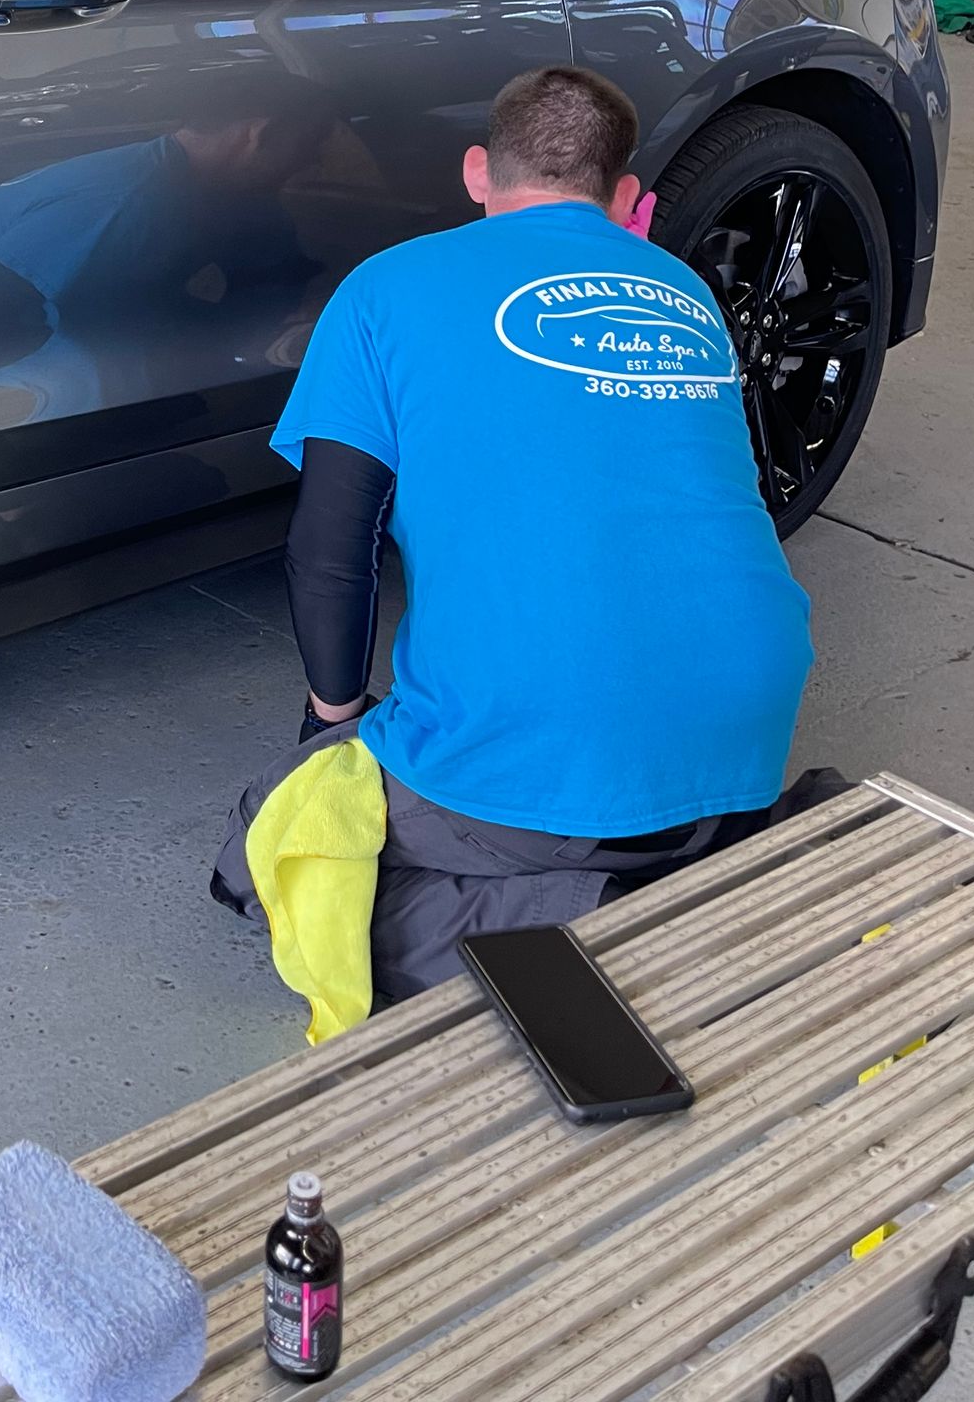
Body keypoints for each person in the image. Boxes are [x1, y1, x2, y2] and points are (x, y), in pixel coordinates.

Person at [268, 62, 815, 1000]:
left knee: (291, 847)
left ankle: (624, 932)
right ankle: (718, 865)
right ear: (627, 197)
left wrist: (334, 726)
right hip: (750, 726)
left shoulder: (385, 287)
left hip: (540, 738)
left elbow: (329, 546)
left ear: (477, 172)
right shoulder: (686, 291)